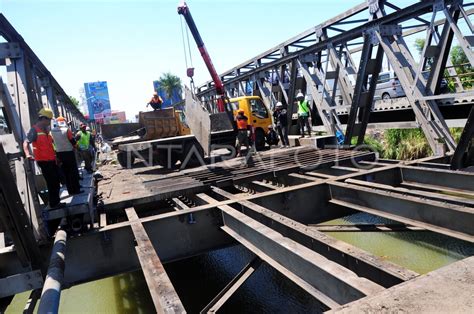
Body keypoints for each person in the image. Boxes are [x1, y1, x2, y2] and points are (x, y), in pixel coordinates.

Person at [23, 108, 63, 208]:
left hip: (52, 160)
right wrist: (28, 154)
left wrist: (56, 157)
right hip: (44, 162)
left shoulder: (46, 130)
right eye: (49, 119)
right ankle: (54, 204)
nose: (49, 122)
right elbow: (26, 142)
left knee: (56, 181)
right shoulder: (34, 130)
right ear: (43, 119)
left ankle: (56, 202)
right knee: (52, 182)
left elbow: (50, 145)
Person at [50, 116, 82, 195]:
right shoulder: (67, 130)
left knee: (66, 173)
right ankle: (76, 189)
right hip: (69, 153)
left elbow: (52, 142)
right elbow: (73, 142)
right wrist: (78, 148)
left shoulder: (51, 132)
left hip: (59, 154)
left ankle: (70, 191)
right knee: (73, 172)